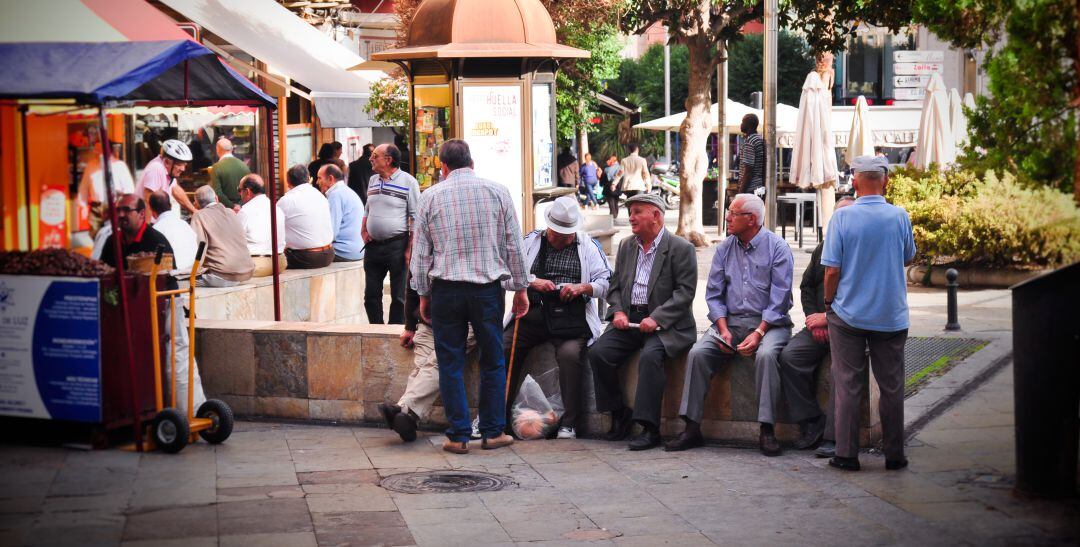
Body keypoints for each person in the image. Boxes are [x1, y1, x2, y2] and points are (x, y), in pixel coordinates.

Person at [410, 139, 530, 454]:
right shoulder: (498, 192)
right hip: (486, 290)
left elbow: (421, 256)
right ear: (472, 163)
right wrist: (521, 287)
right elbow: (514, 245)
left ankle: (458, 436)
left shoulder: (430, 197)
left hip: (446, 291)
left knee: (450, 362)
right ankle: (492, 432)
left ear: (443, 167)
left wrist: (423, 293)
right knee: (493, 359)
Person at [665, 194, 794, 455]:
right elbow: (713, 294)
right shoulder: (724, 248)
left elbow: (779, 300)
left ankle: (767, 429)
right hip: (730, 322)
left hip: (770, 324)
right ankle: (691, 428)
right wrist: (723, 330)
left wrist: (758, 333)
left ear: (752, 219)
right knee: (698, 354)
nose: (727, 217)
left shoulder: (778, 248)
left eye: (733, 213)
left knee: (767, 355)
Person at [822, 155, 916, 472]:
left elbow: (831, 270)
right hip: (890, 315)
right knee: (892, 387)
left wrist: (827, 302)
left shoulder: (842, 219)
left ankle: (847, 455)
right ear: (886, 180)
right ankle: (894, 454)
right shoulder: (900, 216)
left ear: (856, 180)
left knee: (847, 384)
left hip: (848, 314)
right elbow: (907, 258)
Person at [589, 193, 697, 451]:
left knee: (651, 357)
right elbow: (614, 287)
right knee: (599, 352)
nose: (631, 217)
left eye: (637, 211)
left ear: (656, 216)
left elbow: (685, 292)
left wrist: (657, 317)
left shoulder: (681, 248)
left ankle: (650, 428)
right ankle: (618, 412)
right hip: (630, 320)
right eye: (631, 212)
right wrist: (617, 312)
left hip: (667, 325)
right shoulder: (627, 246)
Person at [502, 196, 612, 439]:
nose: (563, 239)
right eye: (558, 235)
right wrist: (532, 281)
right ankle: (496, 416)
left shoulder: (588, 245)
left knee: (571, 354)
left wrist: (582, 288)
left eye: (568, 235)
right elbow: (506, 276)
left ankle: (570, 422)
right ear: (549, 227)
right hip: (533, 313)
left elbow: (606, 282)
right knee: (505, 346)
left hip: (571, 318)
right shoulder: (530, 242)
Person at [99, 194, 205, 415]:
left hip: (162, 307)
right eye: (118, 210)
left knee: (175, 358)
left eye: (126, 210)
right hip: (129, 313)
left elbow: (167, 276)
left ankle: (186, 411)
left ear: (141, 214)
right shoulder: (112, 242)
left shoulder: (156, 240)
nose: (120, 215)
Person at [779, 196, 856, 459]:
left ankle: (835, 437)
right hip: (819, 324)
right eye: (838, 215)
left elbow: (859, 294)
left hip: (848, 326)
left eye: (847, 215)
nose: (841, 220)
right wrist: (814, 318)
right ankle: (811, 420)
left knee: (839, 371)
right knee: (789, 356)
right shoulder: (824, 247)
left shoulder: (859, 249)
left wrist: (828, 317)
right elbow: (807, 286)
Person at [378, 285, 479, 442]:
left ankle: (403, 409)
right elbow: (412, 287)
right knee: (421, 368)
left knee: (437, 364)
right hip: (429, 322)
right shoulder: (420, 259)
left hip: (465, 323)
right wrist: (410, 326)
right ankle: (408, 419)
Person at [362, 144, 420, 324]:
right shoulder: (373, 180)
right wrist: (364, 229)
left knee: (399, 297)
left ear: (388, 160)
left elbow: (415, 217)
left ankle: (394, 332)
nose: (370, 159)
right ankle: (376, 330)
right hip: (372, 246)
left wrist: (410, 248)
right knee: (370, 295)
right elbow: (367, 208)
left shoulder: (409, 182)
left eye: (375, 156)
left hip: (397, 245)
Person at [188, 186, 255, 288]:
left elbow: (198, 248)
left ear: (196, 205)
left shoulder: (199, 216)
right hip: (245, 274)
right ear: (216, 198)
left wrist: (191, 272)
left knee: (181, 284)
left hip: (222, 276)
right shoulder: (231, 212)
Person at [278, 164, 335, 269]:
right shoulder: (321, 196)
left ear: (288, 182)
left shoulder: (286, 200)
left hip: (306, 257)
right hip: (329, 254)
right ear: (309, 179)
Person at [236, 174, 287, 278]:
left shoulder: (245, 211)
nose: (239, 194)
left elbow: (234, 240)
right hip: (280, 263)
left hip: (258, 264)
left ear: (248, 191)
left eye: (239, 190)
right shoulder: (276, 208)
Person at [315, 164, 365, 262]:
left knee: (306, 254)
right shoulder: (346, 191)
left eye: (319, 178)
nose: (317, 182)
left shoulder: (335, 195)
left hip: (345, 251)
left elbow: (331, 232)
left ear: (330, 179)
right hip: (357, 250)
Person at [134, 140, 198, 215]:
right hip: (147, 221)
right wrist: (148, 226)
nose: (183, 169)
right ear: (167, 162)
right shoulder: (156, 168)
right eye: (179, 165)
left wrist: (194, 211)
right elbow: (148, 201)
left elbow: (176, 191)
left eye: (184, 165)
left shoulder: (168, 171)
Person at [148, 191, 197, 275]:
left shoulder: (155, 230)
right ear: (170, 206)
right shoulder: (185, 225)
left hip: (174, 275)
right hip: (193, 271)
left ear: (152, 210)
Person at [209, 138, 249, 210]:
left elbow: (217, 193)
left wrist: (232, 206)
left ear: (218, 149)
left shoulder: (216, 167)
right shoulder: (244, 166)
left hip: (225, 210)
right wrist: (239, 205)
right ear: (232, 149)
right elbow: (249, 189)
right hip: (243, 209)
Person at [738, 114, 766, 196]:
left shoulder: (750, 142)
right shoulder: (758, 139)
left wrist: (741, 192)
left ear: (748, 125)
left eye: (743, 122)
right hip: (759, 188)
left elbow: (748, 172)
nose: (741, 124)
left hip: (750, 189)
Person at [601, 154, 623, 219]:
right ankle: (615, 215)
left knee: (611, 203)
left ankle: (612, 216)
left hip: (609, 187)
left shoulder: (607, 169)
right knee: (615, 202)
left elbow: (604, 179)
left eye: (608, 160)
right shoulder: (620, 167)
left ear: (612, 160)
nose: (607, 162)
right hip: (618, 187)